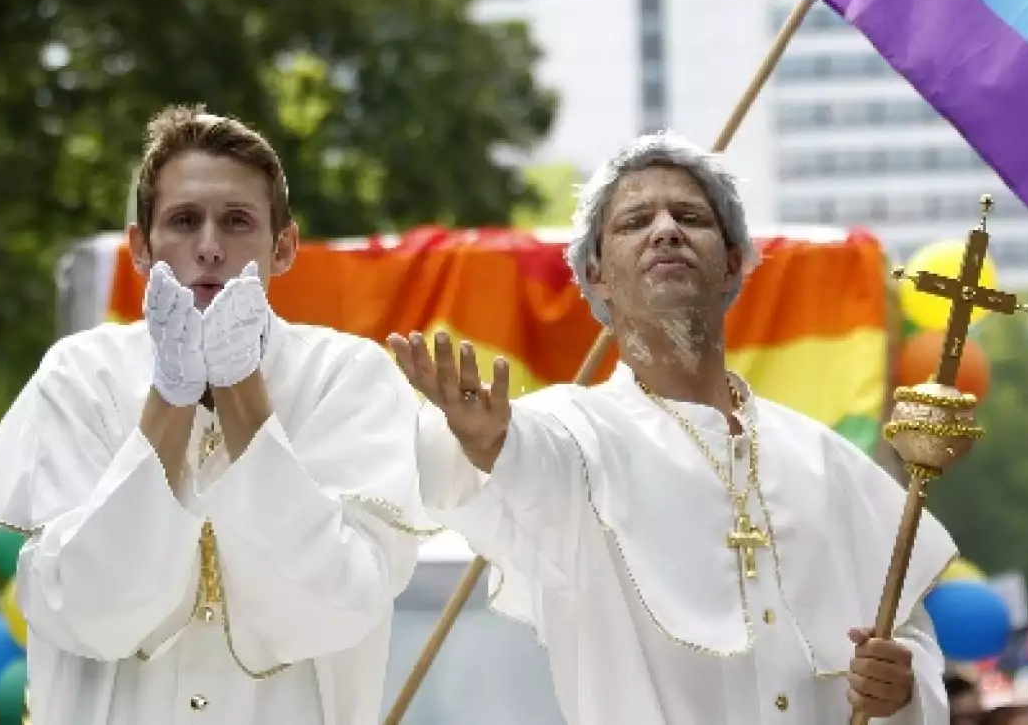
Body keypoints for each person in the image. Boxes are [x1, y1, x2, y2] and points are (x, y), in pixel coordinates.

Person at [398, 132, 957, 724]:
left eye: (690, 216)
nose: (666, 229)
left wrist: (902, 692)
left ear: (733, 262)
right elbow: (514, 461)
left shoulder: (828, 460)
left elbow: (911, 646)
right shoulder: (574, 433)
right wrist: (486, 440)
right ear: (597, 274)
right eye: (635, 222)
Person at [0, 106, 436, 725]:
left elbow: (329, 608)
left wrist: (241, 390)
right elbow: (89, 611)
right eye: (183, 221)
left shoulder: (347, 377)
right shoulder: (82, 374)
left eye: (237, 222)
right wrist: (171, 395)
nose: (209, 248)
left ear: (283, 247)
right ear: (140, 247)